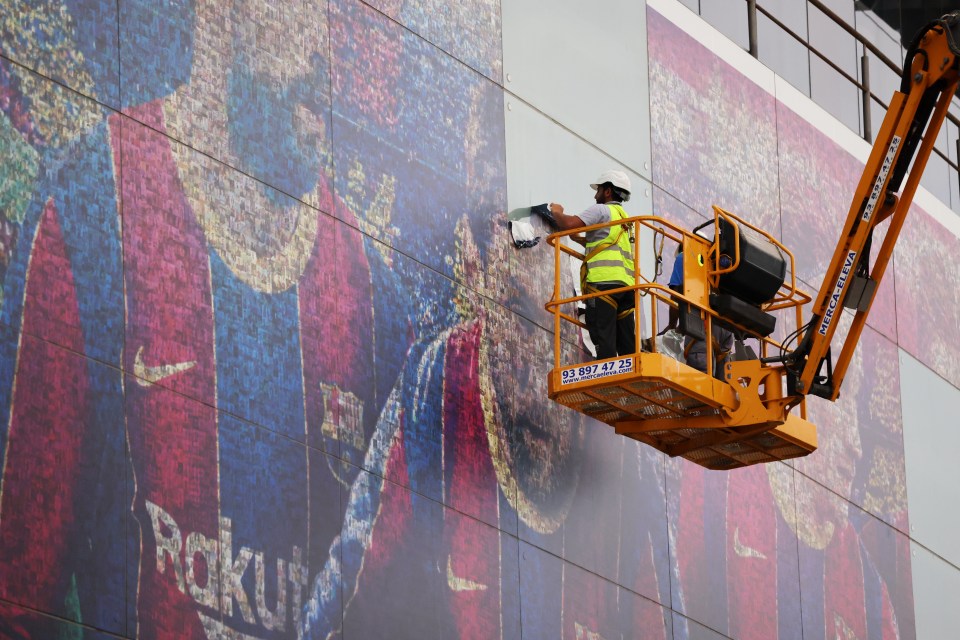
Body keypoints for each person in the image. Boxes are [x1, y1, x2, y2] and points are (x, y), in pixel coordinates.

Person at [543, 169, 636, 360]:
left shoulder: (602, 210)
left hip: (603, 285)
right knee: (627, 343)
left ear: (608, 191)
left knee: (604, 338)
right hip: (626, 287)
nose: (596, 195)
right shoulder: (625, 219)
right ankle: (632, 381)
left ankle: (607, 381)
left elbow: (567, 223)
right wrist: (580, 240)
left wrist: (557, 211)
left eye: (599, 190)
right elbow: (606, 243)